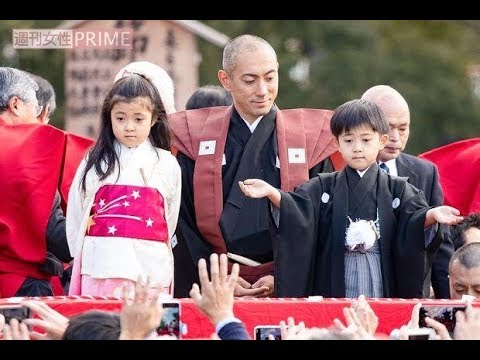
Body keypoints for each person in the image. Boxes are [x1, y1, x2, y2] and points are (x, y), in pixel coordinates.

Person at [169, 34, 340, 298]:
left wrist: (285, 274)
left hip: (288, 277)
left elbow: (322, 217)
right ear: (226, 80)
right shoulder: (197, 139)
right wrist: (215, 277)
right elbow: (183, 221)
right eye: (250, 80)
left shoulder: (309, 141)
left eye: (270, 78)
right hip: (218, 282)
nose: (263, 91)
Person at [239, 99, 463, 298]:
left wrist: (432, 215)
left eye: (366, 140)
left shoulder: (398, 189)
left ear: (381, 141)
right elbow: (298, 210)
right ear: (336, 143)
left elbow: (413, 221)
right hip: (337, 277)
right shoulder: (322, 186)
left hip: (380, 276)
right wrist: (273, 193)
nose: (357, 149)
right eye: (348, 141)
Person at [66, 61, 181, 298]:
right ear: (109, 118)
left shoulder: (167, 163)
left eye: (138, 119)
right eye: (120, 119)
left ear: (154, 119)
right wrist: (81, 251)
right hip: (101, 262)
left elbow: (170, 217)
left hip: (149, 263)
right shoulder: (96, 160)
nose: (129, 127)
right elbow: (78, 212)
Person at [361, 85, 453, 299]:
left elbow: (440, 245)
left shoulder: (425, 172)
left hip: (412, 294)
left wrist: (448, 304)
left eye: (403, 128)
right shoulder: (337, 172)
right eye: (388, 127)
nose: (395, 137)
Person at [0, 67, 75, 297]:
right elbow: (54, 234)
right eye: (36, 109)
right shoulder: (27, 154)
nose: (38, 120)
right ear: (15, 104)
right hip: (21, 286)